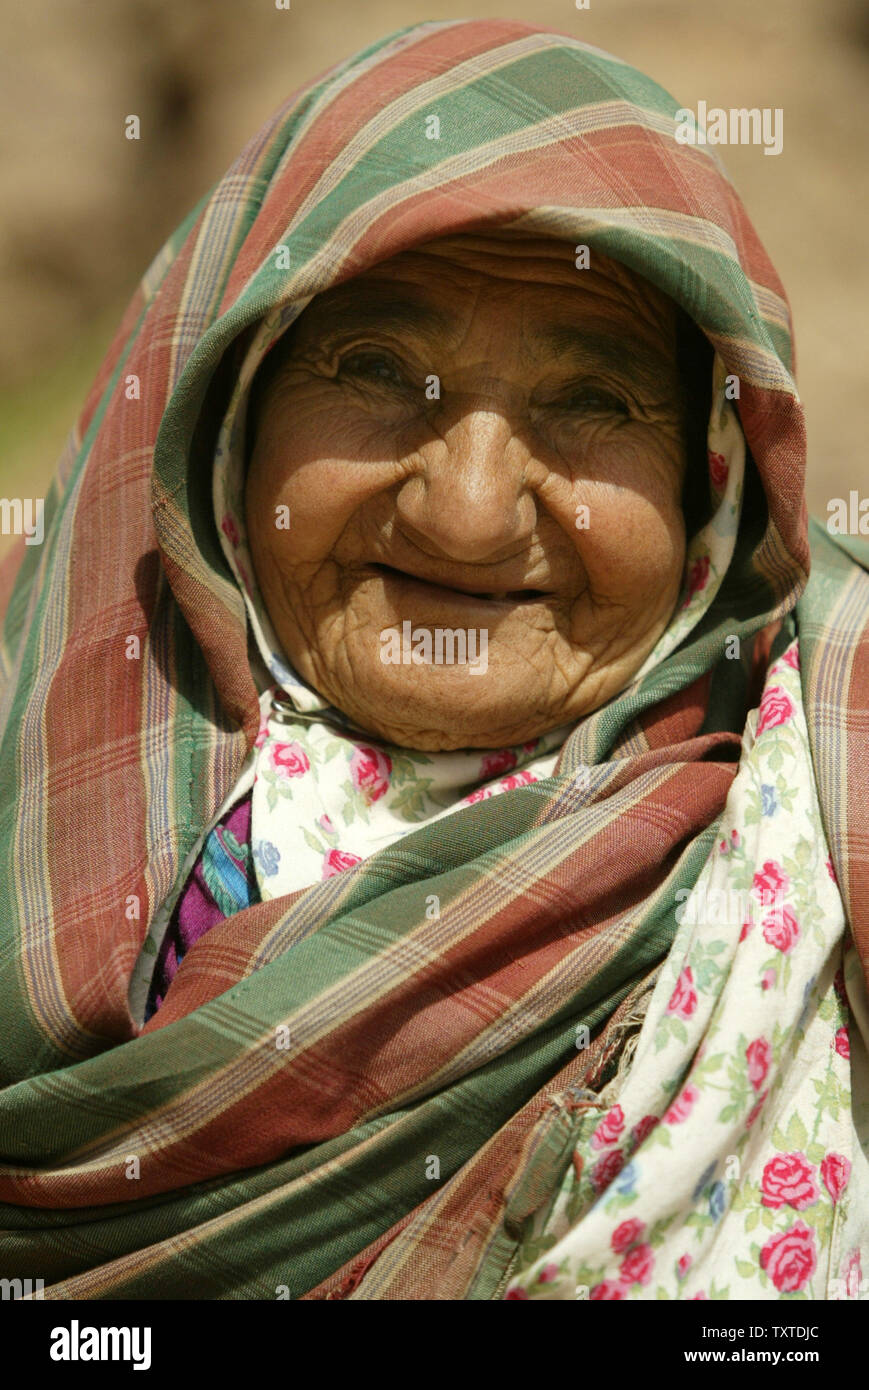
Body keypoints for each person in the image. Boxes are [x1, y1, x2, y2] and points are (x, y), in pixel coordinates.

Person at [0, 18, 867, 1301]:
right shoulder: (45, 779)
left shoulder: (824, 789)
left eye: (591, 402)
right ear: (229, 416)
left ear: (708, 484)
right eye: (375, 367)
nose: (465, 512)